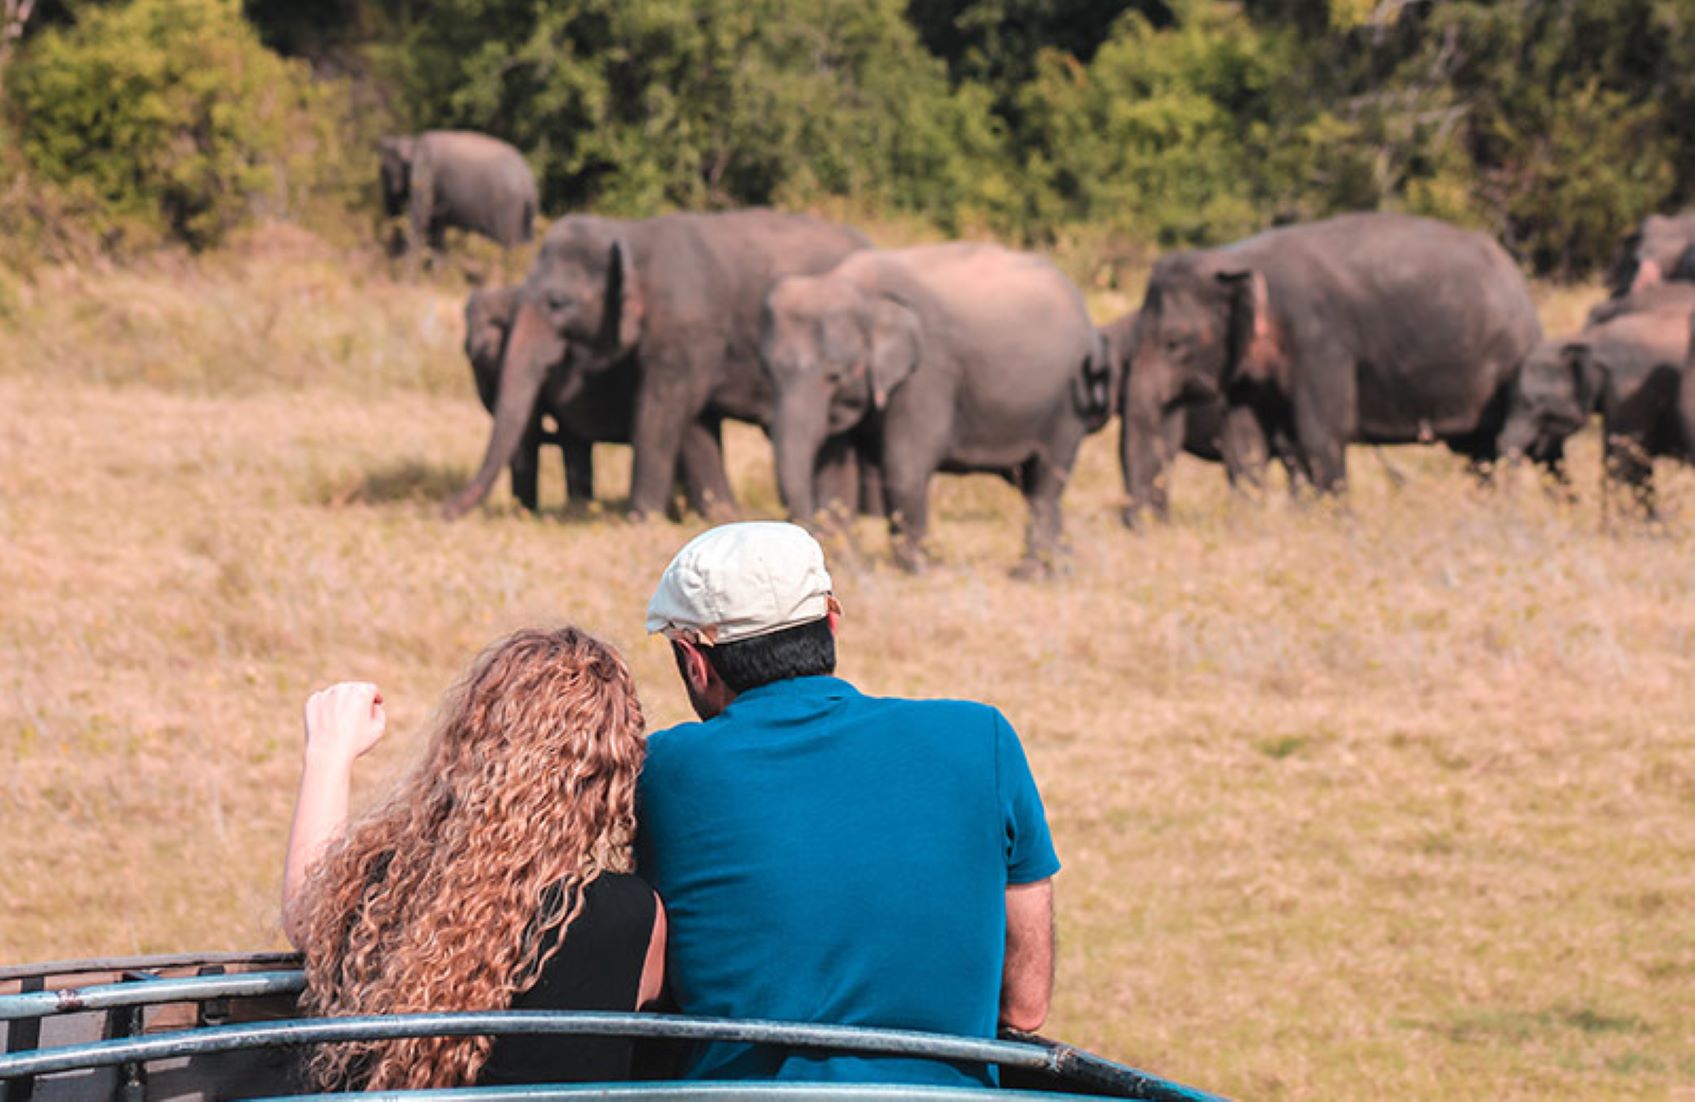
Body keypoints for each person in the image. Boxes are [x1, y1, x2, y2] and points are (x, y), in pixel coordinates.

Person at [638, 522, 1059, 1086]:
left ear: (695, 661)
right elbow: (1026, 1006)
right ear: (831, 622)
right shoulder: (982, 736)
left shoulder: (661, 767)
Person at [280, 627, 666, 1091]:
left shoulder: (388, 886)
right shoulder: (633, 916)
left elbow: (307, 915)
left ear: (466, 747)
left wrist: (329, 753)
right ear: (611, 776)